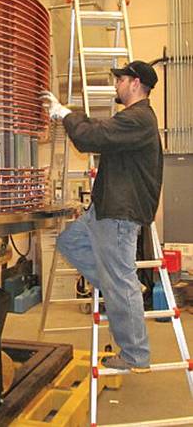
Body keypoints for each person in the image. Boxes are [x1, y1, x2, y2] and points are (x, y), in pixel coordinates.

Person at [41, 60, 163, 373]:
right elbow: (98, 131)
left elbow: (89, 139)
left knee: (120, 280)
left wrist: (66, 114)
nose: (116, 85)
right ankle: (123, 288)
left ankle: (135, 355)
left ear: (135, 83)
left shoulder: (139, 119)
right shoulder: (131, 120)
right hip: (105, 209)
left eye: (120, 80)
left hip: (119, 214)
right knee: (70, 241)